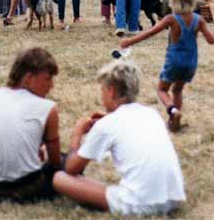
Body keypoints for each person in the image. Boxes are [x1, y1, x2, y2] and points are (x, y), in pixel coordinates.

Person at [52, 60, 186, 217]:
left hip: (141, 204)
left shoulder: (107, 125)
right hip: (174, 198)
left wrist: (77, 133)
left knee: (59, 178)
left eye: (102, 91)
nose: (101, 97)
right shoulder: (151, 113)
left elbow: (71, 168)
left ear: (111, 91)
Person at [119, 0, 214, 132]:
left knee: (162, 90)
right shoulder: (199, 20)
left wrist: (129, 41)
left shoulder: (171, 19)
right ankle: (174, 122)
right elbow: (211, 40)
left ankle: (173, 111)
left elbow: (150, 33)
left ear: (174, 0)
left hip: (174, 61)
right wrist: (202, 30)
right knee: (177, 90)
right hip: (191, 63)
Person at [0, 47, 61, 203]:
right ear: (28, 78)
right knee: (66, 161)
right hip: (29, 189)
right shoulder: (47, 107)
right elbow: (55, 163)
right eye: (47, 79)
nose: (51, 86)